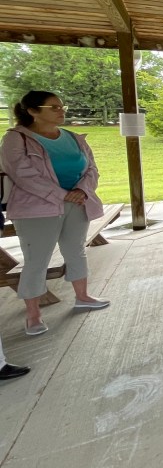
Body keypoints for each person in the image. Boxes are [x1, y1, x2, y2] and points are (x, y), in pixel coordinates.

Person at [1, 91, 110, 336]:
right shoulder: (17, 139)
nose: (61, 111)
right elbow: (22, 174)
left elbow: (91, 169)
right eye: (53, 107)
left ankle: (83, 297)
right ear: (32, 111)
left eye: (62, 106)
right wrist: (62, 195)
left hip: (77, 202)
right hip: (36, 208)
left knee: (76, 250)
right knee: (36, 259)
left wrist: (81, 190)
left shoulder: (73, 138)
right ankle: (33, 315)